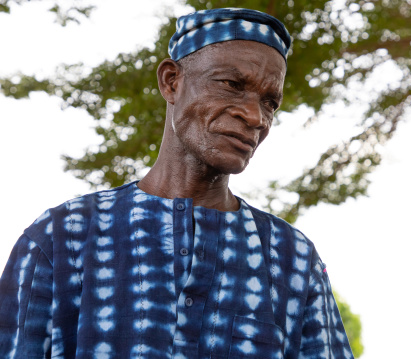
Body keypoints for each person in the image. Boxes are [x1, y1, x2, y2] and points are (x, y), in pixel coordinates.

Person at [0, 8, 354, 359]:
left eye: (269, 102)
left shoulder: (291, 258)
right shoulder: (62, 238)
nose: (254, 116)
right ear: (172, 81)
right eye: (232, 85)